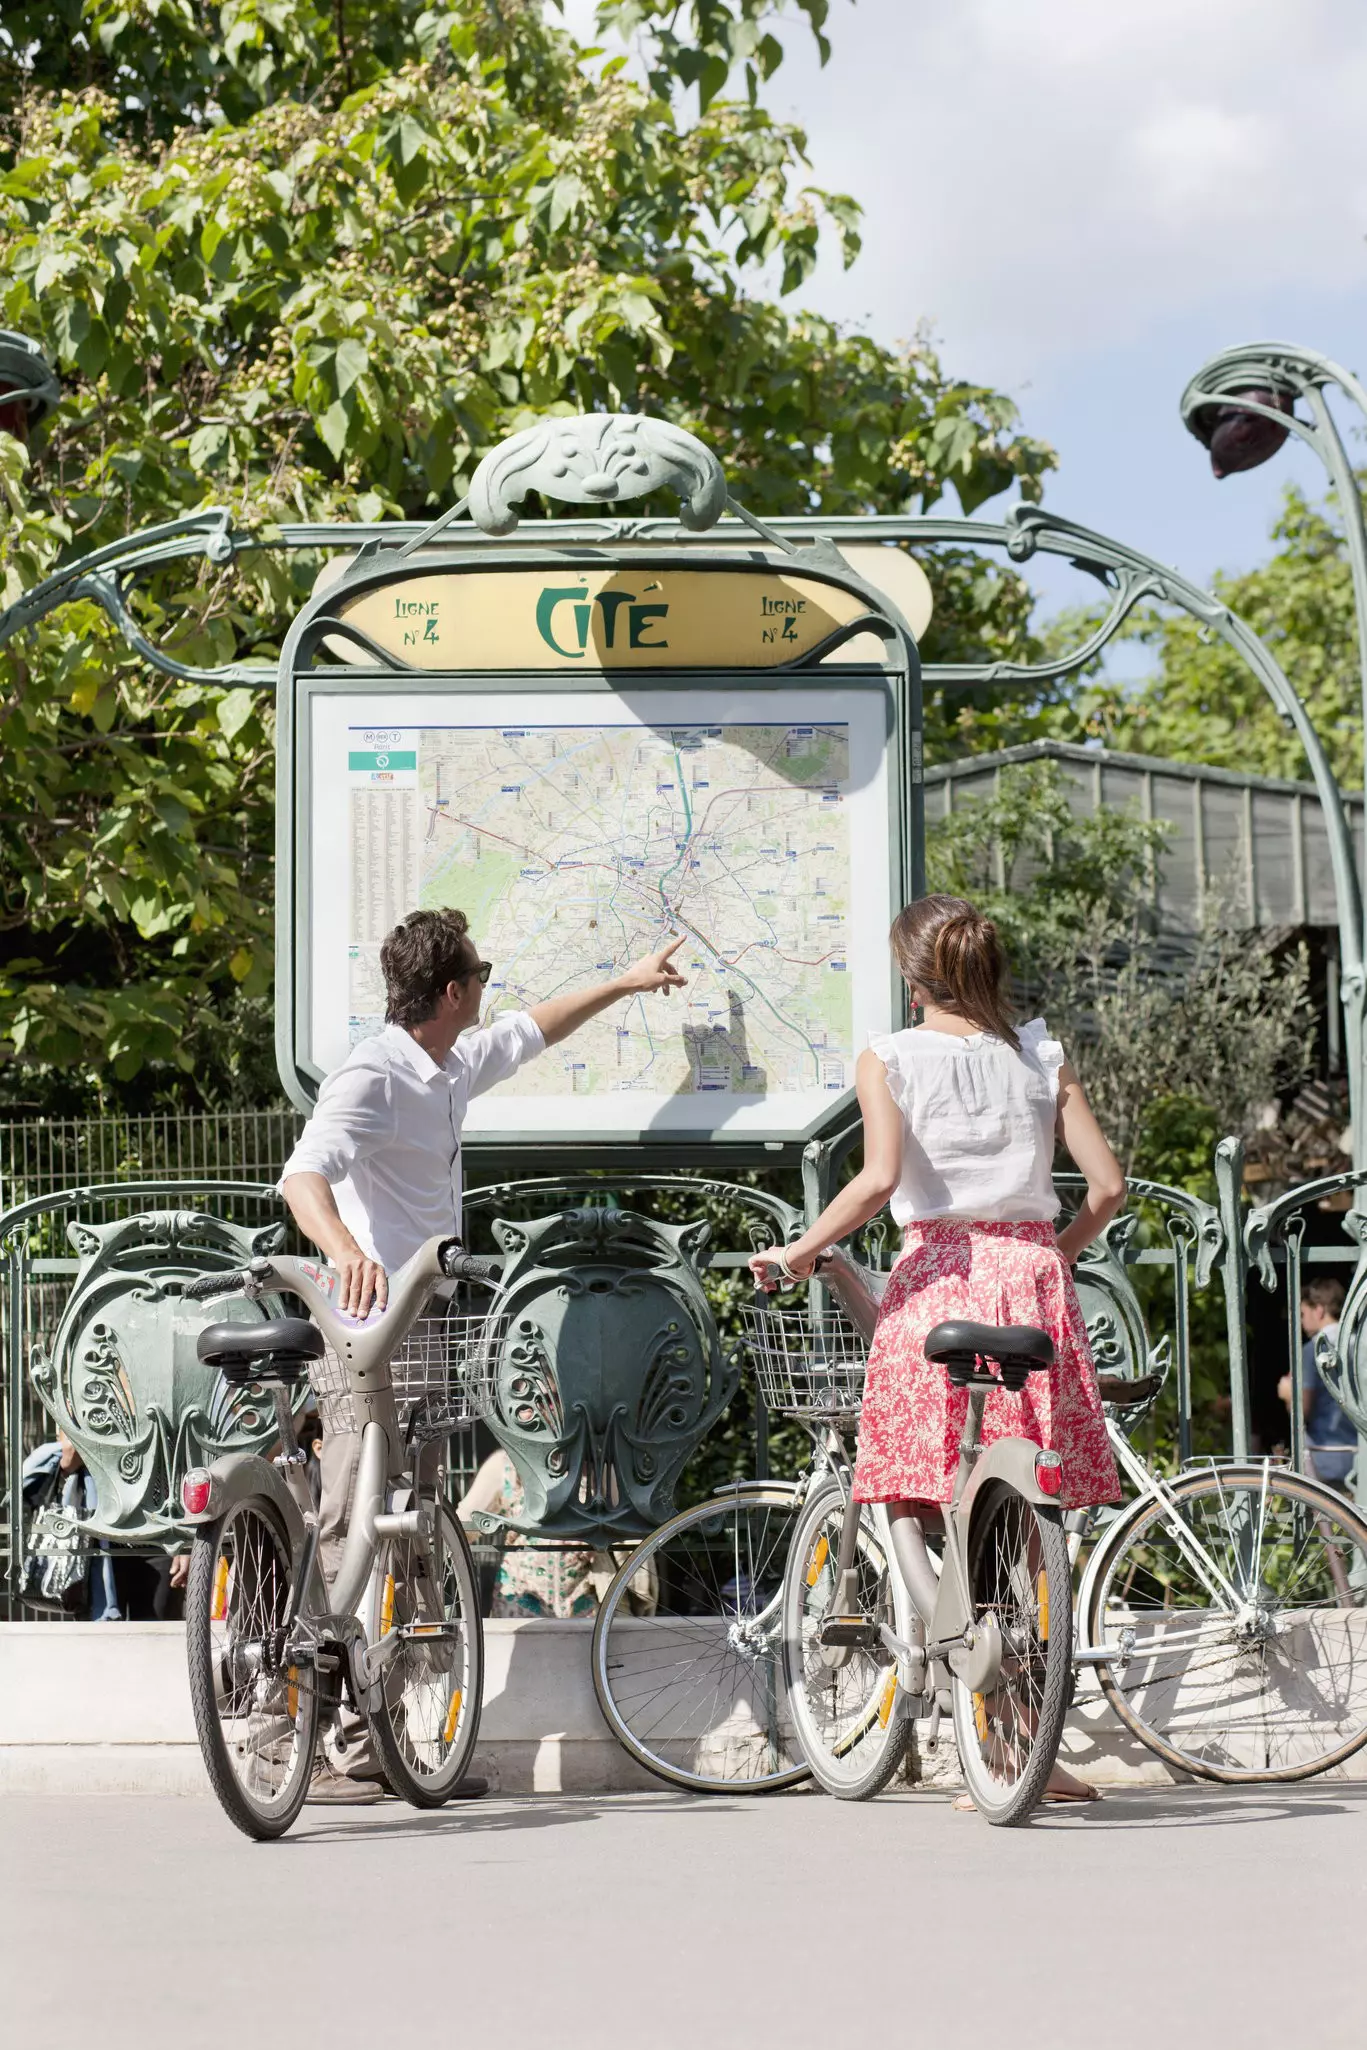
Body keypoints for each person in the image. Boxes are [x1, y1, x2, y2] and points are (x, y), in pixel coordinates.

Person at [281, 905, 685, 1799]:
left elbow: (531, 1033)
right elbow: (302, 1174)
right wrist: (346, 1252)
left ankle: (389, 1729)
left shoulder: (446, 1061)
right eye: (482, 974)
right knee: (353, 1510)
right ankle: (321, 1720)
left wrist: (622, 980)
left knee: (413, 1519)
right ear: (452, 990)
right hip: (370, 1323)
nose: (488, 989)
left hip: (427, 1320)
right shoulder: (374, 1075)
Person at [749, 893, 1126, 1807]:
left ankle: (982, 1726)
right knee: (1018, 1509)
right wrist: (1047, 1258)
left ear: (914, 977)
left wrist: (798, 1254)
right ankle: (1029, 1747)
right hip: (1034, 1282)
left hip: (937, 1288)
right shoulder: (1042, 1056)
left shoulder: (889, 1057)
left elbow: (877, 1181)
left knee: (917, 1488)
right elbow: (1107, 1188)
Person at [1278, 1277, 1356, 1489]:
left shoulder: (1313, 1349)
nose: (1301, 1321)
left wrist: (1288, 1394)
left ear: (1319, 1310)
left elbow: (1303, 1411)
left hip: (1326, 1455)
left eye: (1303, 1314)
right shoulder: (1358, 1343)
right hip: (1359, 1453)